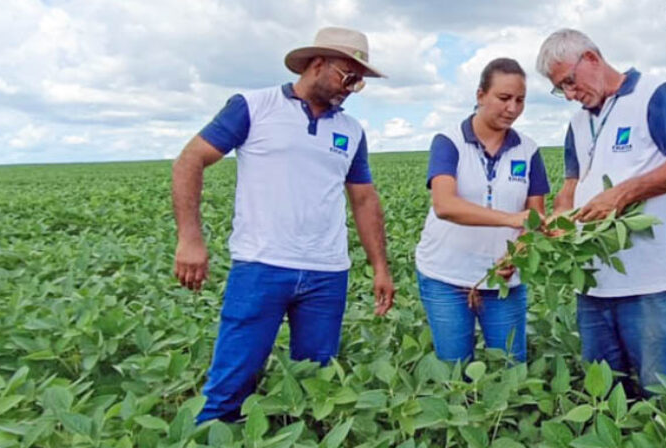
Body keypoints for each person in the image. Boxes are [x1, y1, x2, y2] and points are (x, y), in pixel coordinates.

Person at [171, 26, 396, 424]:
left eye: (360, 80)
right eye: (348, 75)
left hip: (327, 273)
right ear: (317, 64)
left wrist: (380, 266)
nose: (354, 87)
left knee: (316, 384)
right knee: (231, 382)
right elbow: (190, 160)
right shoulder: (253, 106)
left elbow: (363, 198)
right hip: (261, 265)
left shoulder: (351, 130)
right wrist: (191, 238)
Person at [535, 29, 666, 397]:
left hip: (650, 284)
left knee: (662, 397)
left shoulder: (653, 94)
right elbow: (570, 185)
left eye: (569, 81)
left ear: (593, 59)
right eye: (559, 89)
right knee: (606, 396)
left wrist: (622, 194)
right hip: (593, 284)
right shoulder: (579, 122)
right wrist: (562, 216)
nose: (569, 94)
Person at [414, 58, 550, 363]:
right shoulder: (449, 142)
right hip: (446, 274)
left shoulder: (528, 150)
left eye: (520, 100)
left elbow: (535, 217)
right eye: (504, 98)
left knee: (511, 367)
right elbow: (444, 205)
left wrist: (519, 253)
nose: (512, 108)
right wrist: (510, 219)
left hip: (503, 280)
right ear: (480, 95)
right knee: (454, 369)